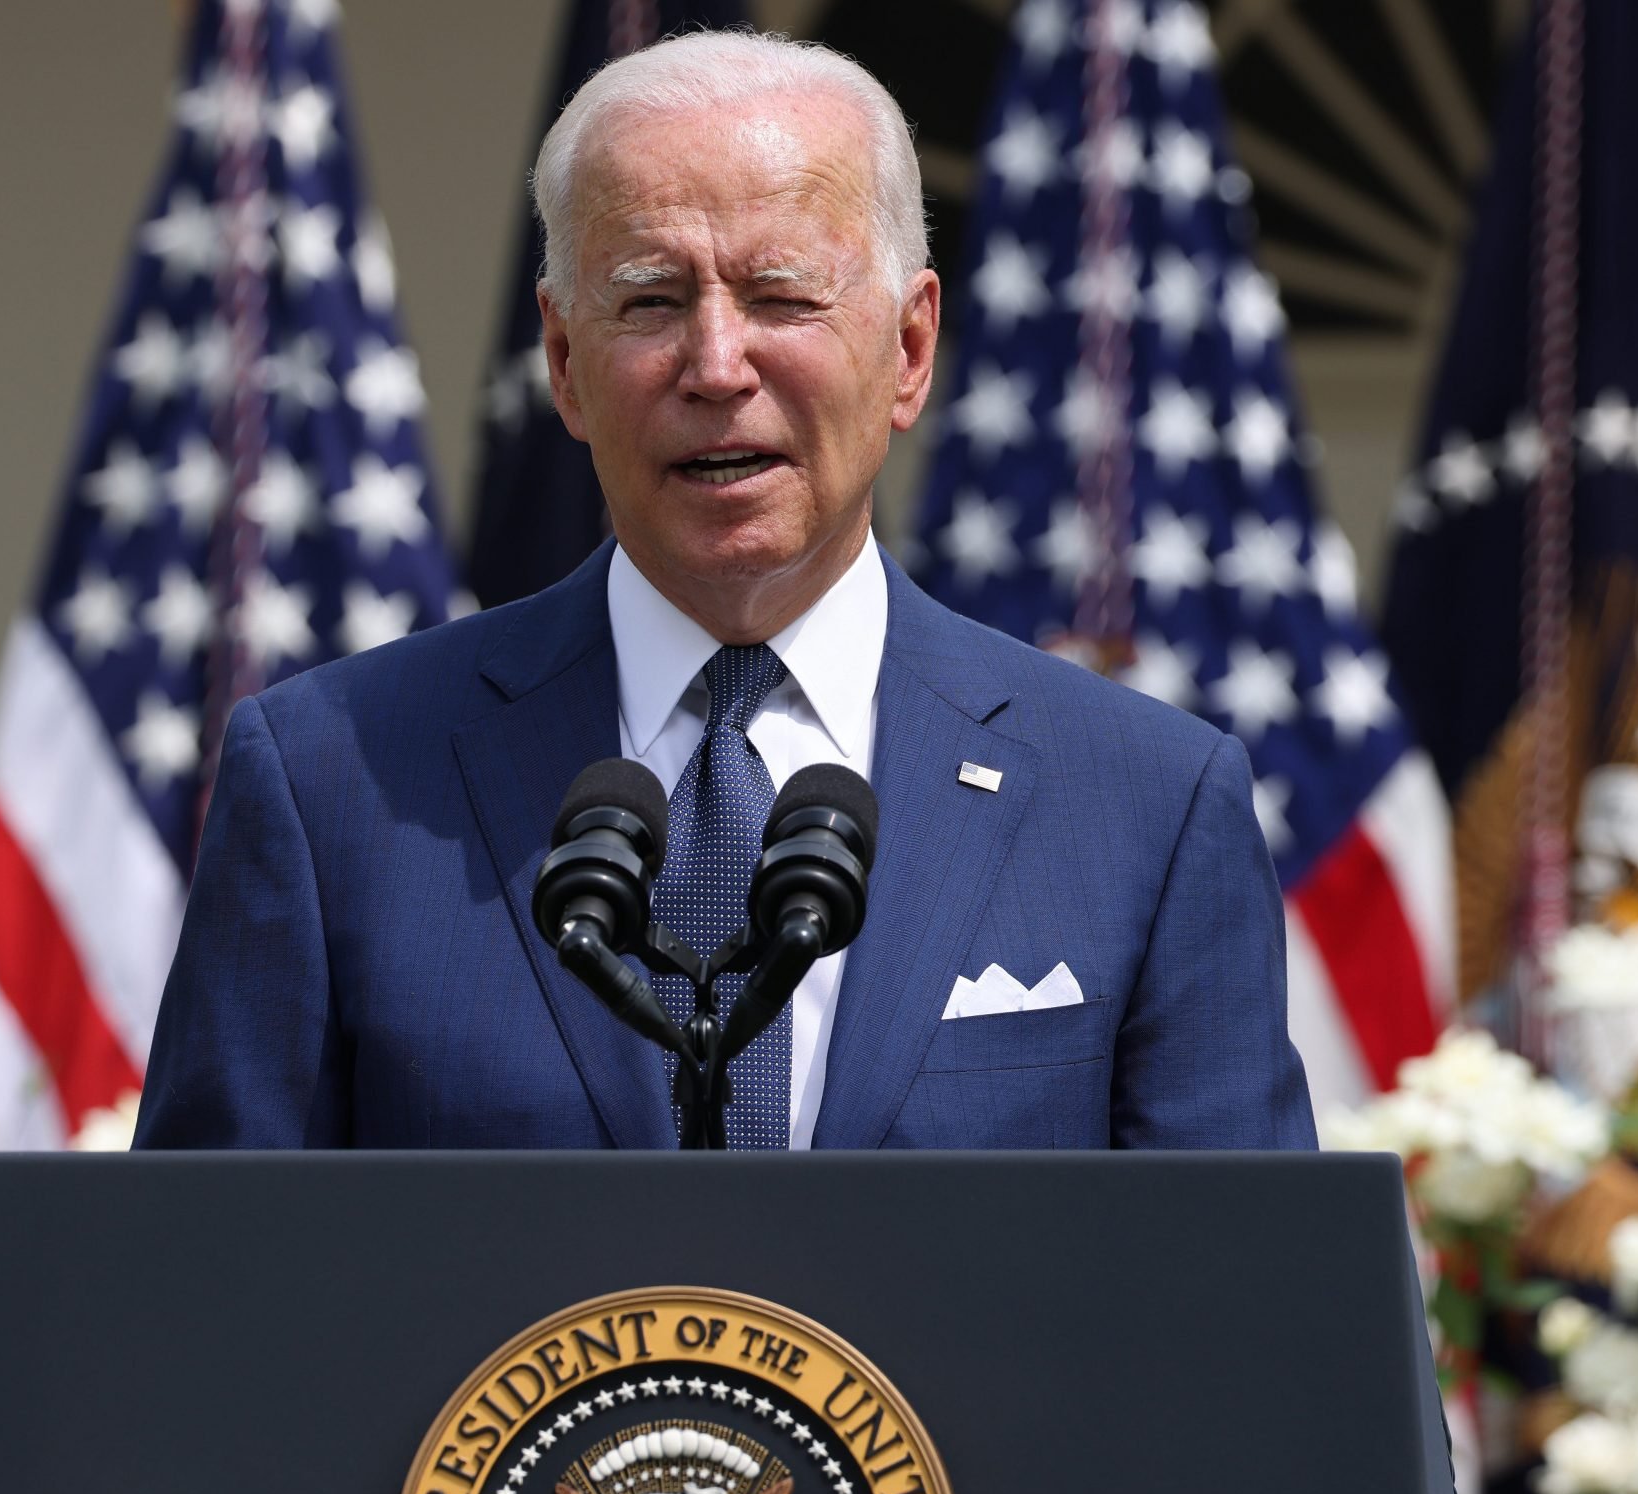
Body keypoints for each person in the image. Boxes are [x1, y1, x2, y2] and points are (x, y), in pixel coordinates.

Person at [134, 31, 1314, 1152]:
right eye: (650, 301)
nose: (714, 364)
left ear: (908, 352)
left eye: (782, 297)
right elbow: (200, 1301)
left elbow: (1246, 1320)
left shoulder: (1146, 804)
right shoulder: (330, 778)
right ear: (562, 363)